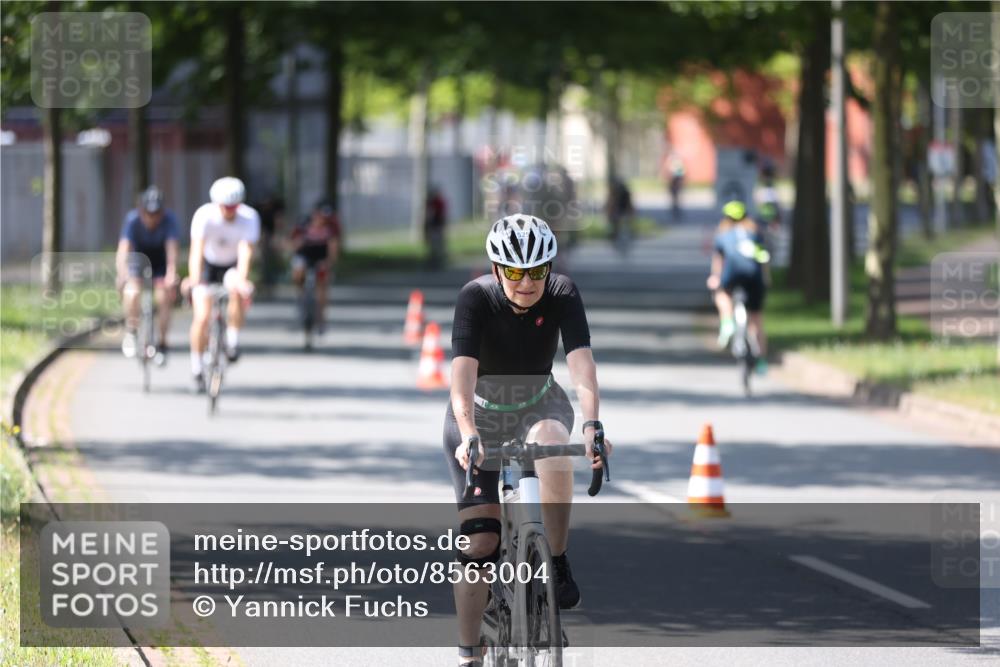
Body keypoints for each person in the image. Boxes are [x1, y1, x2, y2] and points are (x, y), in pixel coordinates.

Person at [443, 214, 613, 665]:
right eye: (514, 272)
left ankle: (555, 559)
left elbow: (582, 367)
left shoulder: (562, 293)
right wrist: (468, 433)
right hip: (479, 413)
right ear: (496, 269)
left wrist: (593, 426)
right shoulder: (475, 298)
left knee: (553, 441)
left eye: (536, 271)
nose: (526, 283)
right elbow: (461, 379)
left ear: (549, 268)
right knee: (480, 542)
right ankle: (468, 652)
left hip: (538, 403)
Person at [187, 177, 260, 393]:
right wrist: (194, 278)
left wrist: (243, 279)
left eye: (233, 207)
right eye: (225, 207)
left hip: (232, 266)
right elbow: (196, 251)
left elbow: (246, 252)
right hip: (208, 266)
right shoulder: (204, 215)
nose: (229, 211)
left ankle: (232, 341)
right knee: (201, 317)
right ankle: (197, 367)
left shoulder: (249, 217)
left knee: (237, 290)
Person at [115, 185, 179, 364]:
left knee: (164, 297)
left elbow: (172, 249)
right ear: (141, 210)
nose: (152, 217)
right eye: (148, 213)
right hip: (138, 260)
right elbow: (124, 249)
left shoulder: (169, 220)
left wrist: (171, 273)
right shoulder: (132, 220)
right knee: (132, 292)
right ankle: (131, 330)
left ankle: (163, 343)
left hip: (160, 262)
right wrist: (122, 273)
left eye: (156, 213)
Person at [706, 200, 770, 374]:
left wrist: (715, 277)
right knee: (756, 320)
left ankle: (727, 321)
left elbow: (718, 261)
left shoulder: (722, 235)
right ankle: (762, 361)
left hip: (732, 276)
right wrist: (766, 279)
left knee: (721, 294)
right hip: (754, 278)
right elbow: (763, 259)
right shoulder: (755, 233)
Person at [289, 198, 342, 333]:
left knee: (322, 285)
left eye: (326, 216)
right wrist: (298, 242)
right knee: (298, 270)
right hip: (304, 255)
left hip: (321, 257)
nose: (322, 219)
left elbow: (333, 248)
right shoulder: (304, 223)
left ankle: (321, 318)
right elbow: (293, 244)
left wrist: (328, 262)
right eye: (320, 215)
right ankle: (301, 296)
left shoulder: (331, 227)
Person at [424, 186, 447, 270]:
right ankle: (435, 261)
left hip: (436, 225)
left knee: (437, 245)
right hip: (435, 225)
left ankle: (437, 261)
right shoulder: (433, 202)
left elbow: (435, 214)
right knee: (435, 245)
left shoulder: (437, 202)